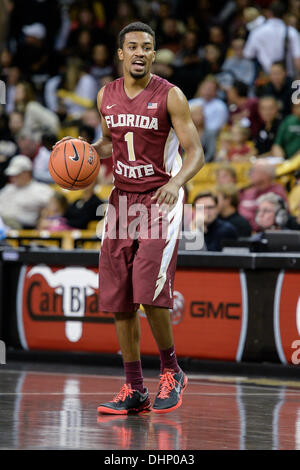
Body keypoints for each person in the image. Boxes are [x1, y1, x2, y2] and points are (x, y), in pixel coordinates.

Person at [55, 22, 204, 415]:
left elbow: (196, 152)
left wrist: (177, 182)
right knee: (119, 299)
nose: (140, 52)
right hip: (121, 199)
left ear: (154, 55)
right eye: (133, 46)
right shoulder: (106, 95)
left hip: (160, 199)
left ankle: (172, 370)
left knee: (148, 292)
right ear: (120, 53)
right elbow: (110, 142)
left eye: (148, 47)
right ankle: (134, 388)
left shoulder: (171, 96)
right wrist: (83, 151)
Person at [243, 1, 300, 78]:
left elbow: (248, 54)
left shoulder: (257, 32)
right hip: (287, 77)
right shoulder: (292, 32)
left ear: (269, 13)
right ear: (285, 15)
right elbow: (297, 60)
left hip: (267, 76)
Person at [0, 154, 53, 229]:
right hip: (3, 227)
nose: (13, 178)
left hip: (25, 230)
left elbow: (54, 211)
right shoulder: (6, 189)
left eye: (17, 174)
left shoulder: (42, 190)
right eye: (12, 175)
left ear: (27, 173)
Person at [238, 159, 288, 230]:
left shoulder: (277, 192)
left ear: (265, 174)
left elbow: (276, 219)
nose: (250, 174)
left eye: (253, 171)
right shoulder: (248, 192)